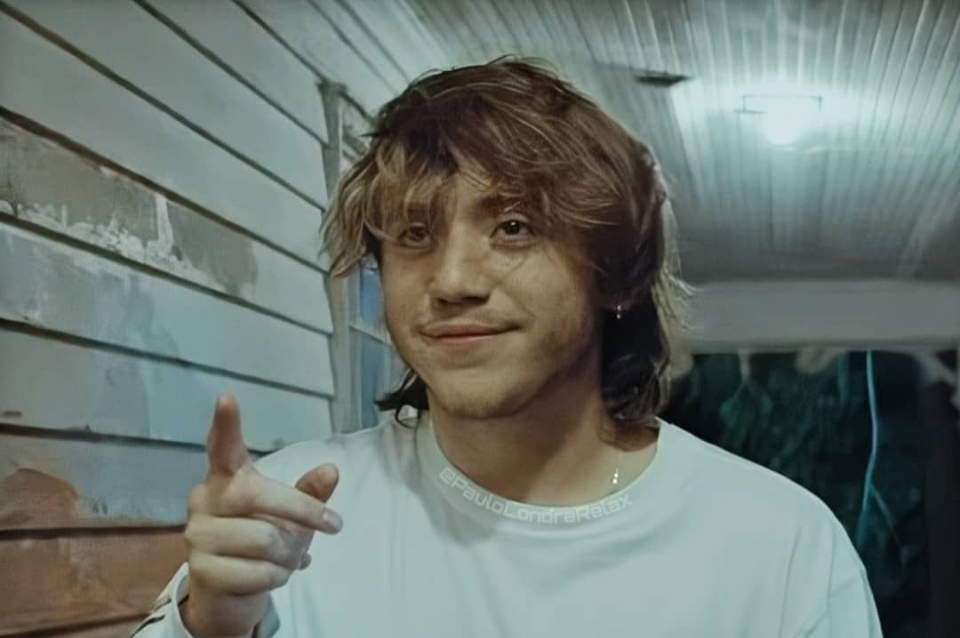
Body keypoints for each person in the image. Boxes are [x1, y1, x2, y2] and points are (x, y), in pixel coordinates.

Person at [133, 58, 883, 638]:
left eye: (514, 228)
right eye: (415, 235)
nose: (452, 280)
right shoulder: (291, 518)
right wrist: (214, 623)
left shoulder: (780, 546)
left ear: (615, 273)